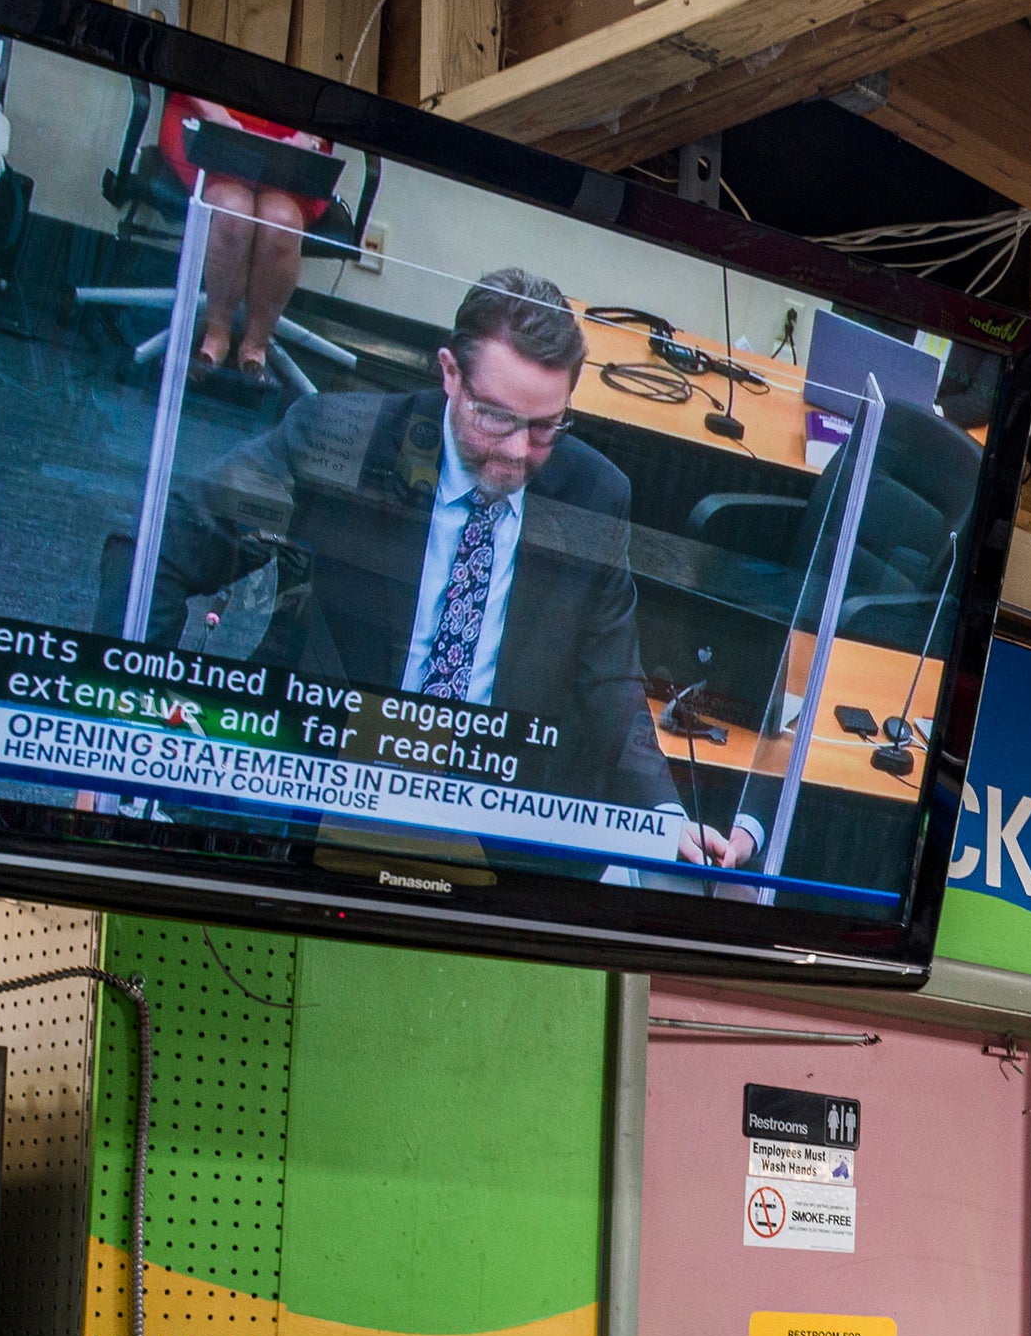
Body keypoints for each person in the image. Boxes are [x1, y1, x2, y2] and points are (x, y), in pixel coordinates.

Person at [152, 269, 758, 860]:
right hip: (331, 770)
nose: (520, 452)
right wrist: (125, 718)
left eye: (547, 426)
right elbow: (164, 542)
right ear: (449, 374)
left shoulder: (594, 493)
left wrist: (663, 816)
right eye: (495, 416)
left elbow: (611, 678)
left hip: (495, 794)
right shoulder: (342, 439)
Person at [160, 94, 334, 394]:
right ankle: (216, 333)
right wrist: (219, 119)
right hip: (210, 122)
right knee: (233, 214)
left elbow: (342, 99)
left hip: (293, 146)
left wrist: (306, 138)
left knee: (281, 223)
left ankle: (255, 344)